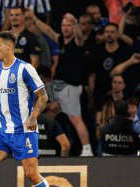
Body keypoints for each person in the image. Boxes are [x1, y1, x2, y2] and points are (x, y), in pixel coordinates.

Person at [0, 31, 60, 187]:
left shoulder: (25, 69)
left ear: (9, 47)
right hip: (2, 131)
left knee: (31, 174)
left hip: (23, 131)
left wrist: (33, 116)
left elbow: (43, 96)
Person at [29, 10, 94, 156]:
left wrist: (75, 22)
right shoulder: (61, 41)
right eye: (63, 25)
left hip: (69, 87)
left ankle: (87, 149)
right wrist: (34, 18)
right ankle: (37, 139)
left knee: (76, 119)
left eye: (69, 25)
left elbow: (79, 35)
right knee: (42, 104)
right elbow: (48, 30)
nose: (65, 28)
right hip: (57, 86)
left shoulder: (78, 42)